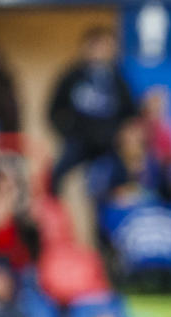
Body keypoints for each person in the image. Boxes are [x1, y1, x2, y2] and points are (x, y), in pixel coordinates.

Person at [47, 26, 137, 195]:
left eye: (107, 46)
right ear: (87, 47)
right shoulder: (72, 76)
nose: (102, 51)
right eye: (98, 45)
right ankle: (54, 217)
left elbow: (130, 112)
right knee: (55, 176)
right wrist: (68, 132)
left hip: (109, 143)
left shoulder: (117, 77)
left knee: (123, 177)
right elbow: (54, 110)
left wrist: (122, 134)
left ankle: (114, 218)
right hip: (79, 140)